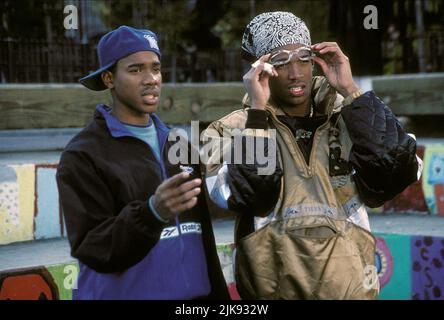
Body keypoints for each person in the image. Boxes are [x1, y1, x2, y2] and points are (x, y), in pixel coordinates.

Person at [203, 12, 420, 299]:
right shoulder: (228, 131)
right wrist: (257, 114)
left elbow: (398, 171)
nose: (295, 73)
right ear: (259, 68)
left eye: (303, 58)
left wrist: (352, 91)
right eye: (280, 61)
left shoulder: (350, 117)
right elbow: (254, 196)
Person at [56, 26, 229, 300]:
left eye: (156, 69)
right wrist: (152, 213)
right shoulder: (83, 155)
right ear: (109, 78)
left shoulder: (178, 144)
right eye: (136, 70)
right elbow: (93, 247)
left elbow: (203, 241)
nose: (151, 79)